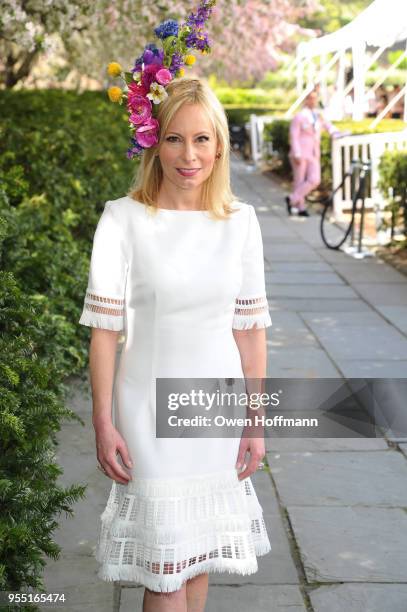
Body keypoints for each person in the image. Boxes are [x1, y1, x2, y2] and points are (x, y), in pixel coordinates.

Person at [78, 7, 272, 611]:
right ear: (153, 143)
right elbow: (106, 334)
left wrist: (255, 421)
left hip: (209, 412)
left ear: (218, 147)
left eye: (202, 139)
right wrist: (103, 419)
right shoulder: (123, 220)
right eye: (174, 138)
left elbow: (251, 333)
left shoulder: (241, 223)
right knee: (163, 571)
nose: (189, 154)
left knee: (196, 564)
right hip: (145, 412)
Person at [285, 88, 343, 217]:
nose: (313, 101)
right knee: (299, 180)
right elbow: (294, 136)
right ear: (306, 100)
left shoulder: (318, 116)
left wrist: (338, 133)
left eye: (315, 98)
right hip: (301, 152)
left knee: (314, 179)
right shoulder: (299, 116)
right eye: (311, 98)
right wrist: (297, 153)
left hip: (313, 153)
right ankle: (300, 207)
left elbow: (329, 127)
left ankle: (292, 199)